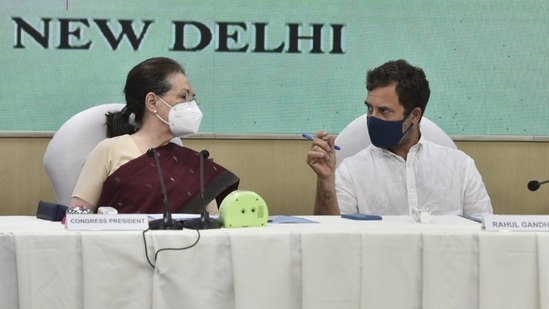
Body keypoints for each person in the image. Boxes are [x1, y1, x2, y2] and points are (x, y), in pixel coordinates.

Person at [306, 59, 493, 217]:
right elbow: (331, 237)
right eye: (370, 108)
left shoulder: (460, 167)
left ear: (414, 115)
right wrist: (325, 180)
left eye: (384, 111)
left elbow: (485, 233)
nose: (372, 118)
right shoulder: (351, 171)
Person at [69, 57, 239, 214]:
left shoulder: (194, 164)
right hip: (120, 245)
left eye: (192, 98)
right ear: (152, 102)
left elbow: (212, 224)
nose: (192, 105)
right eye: (184, 97)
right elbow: (77, 215)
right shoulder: (109, 150)